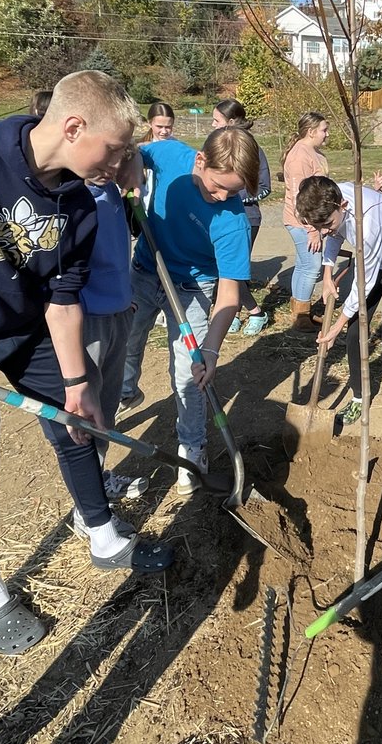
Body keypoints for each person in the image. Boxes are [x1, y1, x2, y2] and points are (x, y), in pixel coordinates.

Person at [0, 71, 174, 655]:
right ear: (73, 127)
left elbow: (62, 295)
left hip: (30, 330)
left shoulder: (77, 200)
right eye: (116, 149)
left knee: (80, 422)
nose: (120, 163)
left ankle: (102, 536)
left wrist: (77, 382)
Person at [118, 126, 260, 495]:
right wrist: (130, 172)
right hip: (146, 268)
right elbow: (131, 150)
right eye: (216, 186)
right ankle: (126, 391)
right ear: (200, 161)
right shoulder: (169, 156)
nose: (222, 197)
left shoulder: (232, 221)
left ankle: (193, 446)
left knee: (189, 371)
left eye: (233, 191)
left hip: (194, 288)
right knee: (126, 341)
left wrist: (210, 350)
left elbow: (229, 294)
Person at [295, 176, 382, 445]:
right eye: (319, 227)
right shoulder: (330, 199)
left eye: (327, 224)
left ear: (344, 205)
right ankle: (358, 396)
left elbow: (365, 281)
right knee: (354, 335)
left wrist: (336, 325)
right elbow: (333, 237)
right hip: (372, 263)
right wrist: (327, 273)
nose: (324, 231)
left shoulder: (370, 218)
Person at [74, 163, 149, 537]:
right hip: (87, 319)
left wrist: (125, 296)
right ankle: (86, 511)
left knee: (106, 410)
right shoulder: (73, 194)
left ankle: (98, 481)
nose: (116, 163)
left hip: (119, 310)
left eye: (122, 154)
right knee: (85, 419)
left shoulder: (113, 190)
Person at [211, 99, 271, 336]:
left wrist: (233, 197)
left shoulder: (253, 149)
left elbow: (264, 188)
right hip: (220, 218)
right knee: (220, 267)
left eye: (217, 120)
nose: (213, 125)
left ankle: (256, 312)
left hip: (247, 219)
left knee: (231, 269)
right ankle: (233, 311)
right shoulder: (217, 145)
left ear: (232, 122)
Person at [282, 112, 330, 332]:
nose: (326, 134)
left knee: (304, 265)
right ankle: (301, 316)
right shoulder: (299, 156)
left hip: (312, 220)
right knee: (311, 266)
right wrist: (312, 229)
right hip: (302, 221)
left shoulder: (312, 151)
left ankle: (300, 311)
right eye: (323, 130)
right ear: (311, 132)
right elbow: (297, 197)